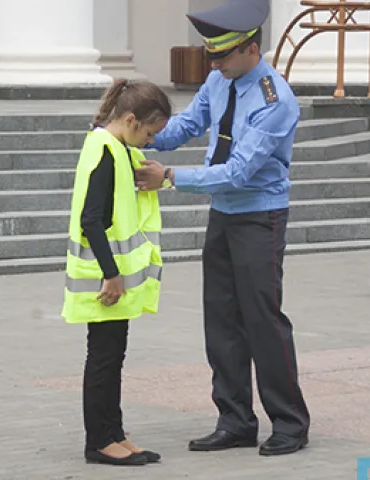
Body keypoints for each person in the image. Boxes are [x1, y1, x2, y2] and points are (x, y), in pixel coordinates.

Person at [134, 0, 310, 457]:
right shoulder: (220, 79)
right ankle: (234, 419)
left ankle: (290, 423)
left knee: (263, 322)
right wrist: (136, 131)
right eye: (211, 56)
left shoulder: (275, 100)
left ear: (251, 50)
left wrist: (170, 177)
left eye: (222, 56)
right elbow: (187, 126)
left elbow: (238, 172)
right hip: (224, 216)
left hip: (259, 217)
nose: (213, 64)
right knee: (222, 321)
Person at [61, 79, 172, 466]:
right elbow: (92, 221)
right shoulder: (105, 151)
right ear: (129, 119)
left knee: (113, 356)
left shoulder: (118, 148)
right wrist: (111, 274)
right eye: (149, 132)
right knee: (104, 359)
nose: (150, 141)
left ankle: (114, 432)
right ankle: (99, 440)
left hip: (113, 277)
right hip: (104, 279)